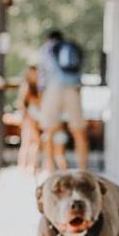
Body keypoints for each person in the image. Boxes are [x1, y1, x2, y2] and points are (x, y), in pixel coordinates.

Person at [36, 30, 90, 170]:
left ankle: (49, 168)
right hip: (73, 88)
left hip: (53, 89)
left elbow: (42, 74)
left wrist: (41, 94)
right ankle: (83, 170)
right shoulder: (70, 47)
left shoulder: (47, 48)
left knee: (49, 130)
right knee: (79, 131)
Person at [16, 66, 43, 174]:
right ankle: (22, 166)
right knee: (27, 144)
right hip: (28, 120)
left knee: (34, 144)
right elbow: (22, 104)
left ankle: (31, 166)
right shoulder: (26, 87)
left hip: (35, 120)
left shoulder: (38, 88)